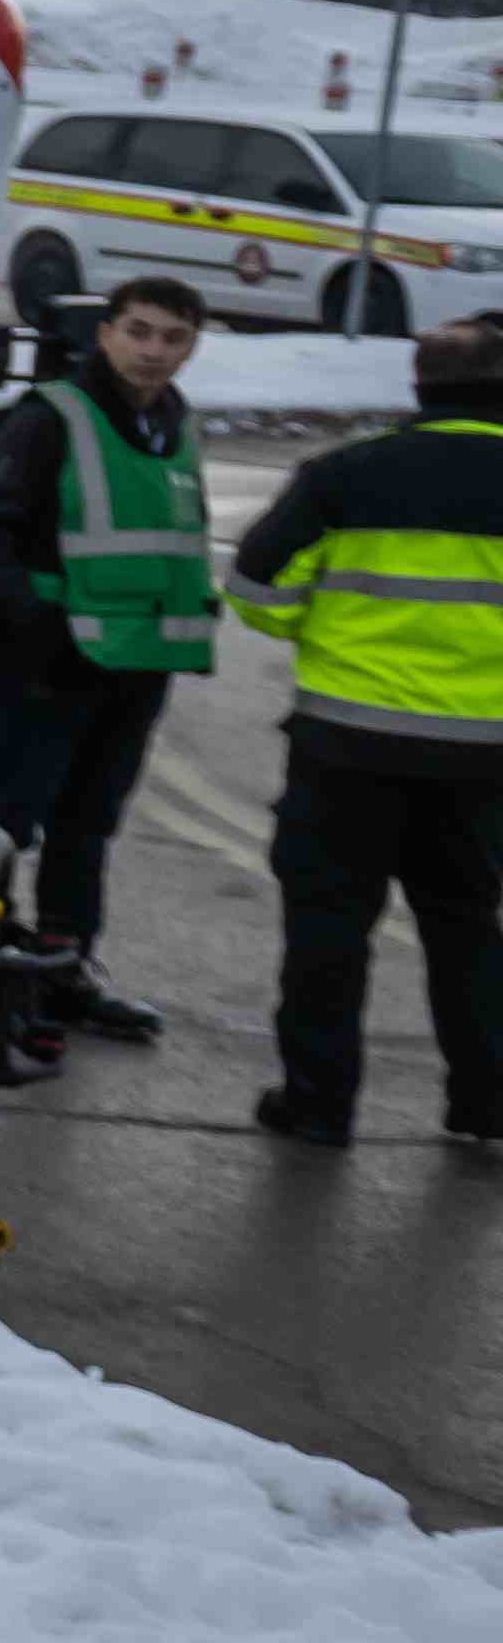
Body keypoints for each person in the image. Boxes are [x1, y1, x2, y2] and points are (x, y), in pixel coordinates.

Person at [223, 305, 503, 1146]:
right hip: (483, 761)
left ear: (420, 387)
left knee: (328, 935)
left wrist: (330, 630)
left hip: (345, 751)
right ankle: (486, 1106)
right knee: (467, 931)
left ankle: (317, 1104)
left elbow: (257, 592)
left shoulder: (342, 475)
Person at [0, 276, 215, 1030]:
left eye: (173, 338)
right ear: (106, 334)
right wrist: (41, 620)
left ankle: (63, 971)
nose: (153, 351)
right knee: (6, 822)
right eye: (140, 331)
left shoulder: (173, 422)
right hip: (48, 664)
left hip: (135, 666)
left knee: (88, 826)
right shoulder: (47, 420)